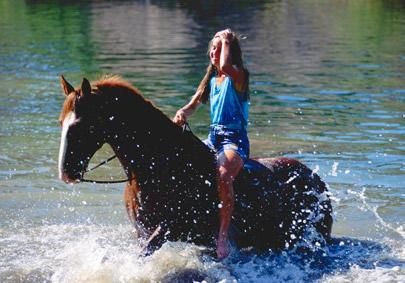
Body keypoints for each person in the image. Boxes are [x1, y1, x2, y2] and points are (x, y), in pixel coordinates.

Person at [173, 28, 250, 259]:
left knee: (223, 176)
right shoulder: (211, 81)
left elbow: (226, 66)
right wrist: (182, 113)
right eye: (212, 48)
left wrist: (227, 39)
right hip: (213, 138)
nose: (213, 52)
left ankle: (223, 235)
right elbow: (193, 104)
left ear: (229, 50)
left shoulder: (239, 75)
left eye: (219, 48)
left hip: (234, 139)